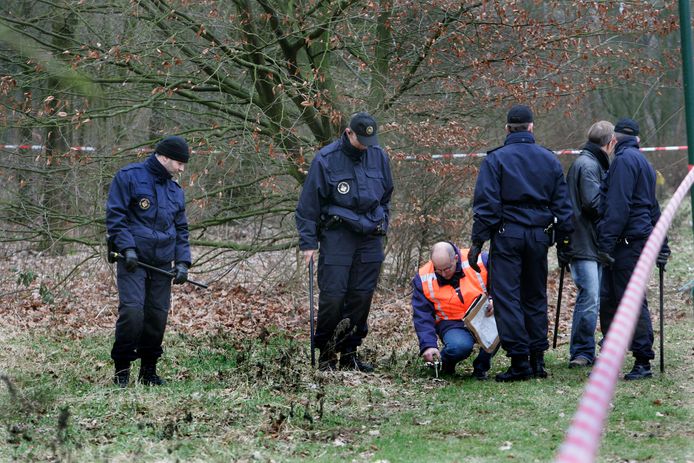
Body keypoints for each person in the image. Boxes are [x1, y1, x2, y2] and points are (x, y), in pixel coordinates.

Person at [469, 104, 574, 382]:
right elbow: (563, 206)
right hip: (539, 236)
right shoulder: (549, 159)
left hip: (508, 235)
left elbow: (487, 206)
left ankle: (519, 362)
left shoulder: (495, 160)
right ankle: (537, 359)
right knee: (535, 295)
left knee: (508, 298)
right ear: (531, 127)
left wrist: (478, 240)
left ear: (507, 129)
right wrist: (564, 241)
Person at [295, 112, 394, 372]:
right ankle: (327, 353)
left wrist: (384, 220)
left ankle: (349, 352)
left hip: (370, 235)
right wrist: (308, 243)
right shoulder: (326, 160)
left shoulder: (379, 156)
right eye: (360, 139)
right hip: (338, 235)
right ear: (349, 133)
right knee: (334, 296)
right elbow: (308, 206)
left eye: (369, 141)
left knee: (361, 297)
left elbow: (386, 196)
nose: (365, 145)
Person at [106, 135, 192, 387]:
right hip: (133, 261)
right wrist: (127, 248)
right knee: (132, 312)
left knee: (156, 316)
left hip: (162, 265)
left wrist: (183, 262)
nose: (182, 168)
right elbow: (116, 216)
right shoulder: (129, 177)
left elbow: (181, 229)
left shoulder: (176, 191)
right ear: (164, 157)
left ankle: (148, 371)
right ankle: (122, 371)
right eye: (179, 162)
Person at [597, 118, 670, 380]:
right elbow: (653, 207)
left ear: (614, 139)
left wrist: (605, 243)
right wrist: (663, 244)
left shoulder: (624, 162)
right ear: (637, 139)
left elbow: (618, 206)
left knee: (631, 301)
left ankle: (642, 360)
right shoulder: (644, 163)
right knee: (616, 299)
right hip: (636, 241)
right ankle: (617, 354)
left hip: (626, 244)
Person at [564, 121, 616, 368]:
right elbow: (593, 204)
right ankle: (582, 352)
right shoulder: (588, 165)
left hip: (588, 242)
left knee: (592, 297)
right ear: (610, 143)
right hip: (584, 242)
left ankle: (584, 350)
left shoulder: (589, 162)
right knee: (590, 298)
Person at [412, 242, 496, 379]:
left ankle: (481, 368)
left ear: (456, 258)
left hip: (484, 315)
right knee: (459, 347)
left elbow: (501, 281)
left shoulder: (480, 260)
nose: (444, 274)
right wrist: (428, 345)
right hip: (451, 323)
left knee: (504, 324)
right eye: (438, 270)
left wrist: (495, 299)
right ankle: (443, 365)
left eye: (447, 268)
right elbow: (422, 316)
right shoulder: (422, 278)